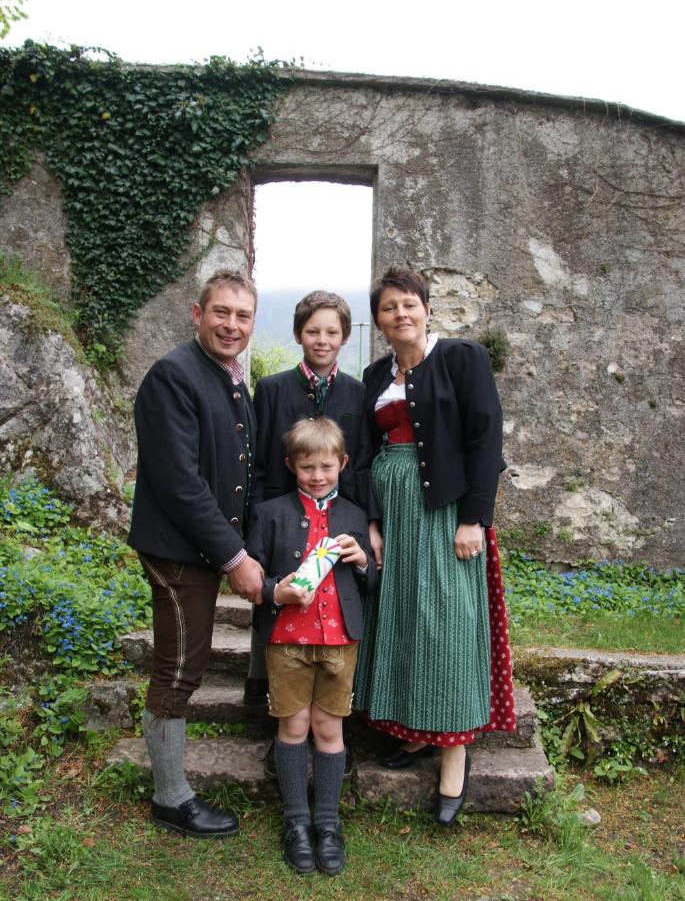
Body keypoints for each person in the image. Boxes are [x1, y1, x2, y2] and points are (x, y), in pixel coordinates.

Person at [354, 267, 516, 826]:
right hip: (394, 514)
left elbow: (485, 439)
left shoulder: (461, 358)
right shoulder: (375, 374)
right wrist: (373, 520)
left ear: (426, 308)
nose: (401, 314)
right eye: (389, 307)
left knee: (447, 623)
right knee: (403, 616)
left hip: (445, 510)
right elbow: (365, 451)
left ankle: (454, 752)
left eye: (409, 304)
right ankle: (418, 729)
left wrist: (474, 518)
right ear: (378, 321)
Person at [128, 268, 264, 839]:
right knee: (179, 670)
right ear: (197, 314)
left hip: (203, 548)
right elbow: (180, 483)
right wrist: (235, 558)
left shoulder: (230, 377)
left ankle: (171, 790)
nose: (231, 325)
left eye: (242, 316)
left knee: (185, 665)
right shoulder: (173, 375)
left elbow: (238, 470)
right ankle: (170, 798)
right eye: (221, 312)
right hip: (178, 551)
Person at [247, 418, 376, 874]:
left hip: (340, 642)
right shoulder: (270, 513)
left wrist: (363, 562)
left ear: (342, 464)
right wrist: (276, 591)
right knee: (294, 726)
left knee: (328, 728)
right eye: (307, 468)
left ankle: (327, 822)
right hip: (286, 642)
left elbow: (371, 582)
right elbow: (253, 578)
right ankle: (296, 821)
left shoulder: (355, 515)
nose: (317, 476)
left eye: (326, 466)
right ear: (291, 466)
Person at [244, 290, 370, 711]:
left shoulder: (357, 392)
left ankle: (334, 704)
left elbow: (361, 463)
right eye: (313, 331)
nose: (322, 340)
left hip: (337, 516)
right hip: (280, 518)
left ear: (344, 337)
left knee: (335, 604)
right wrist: (257, 522)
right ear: (298, 334)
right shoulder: (272, 388)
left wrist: (366, 524)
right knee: (277, 602)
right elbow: (260, 462)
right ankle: (267, 699)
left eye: (332, 332)